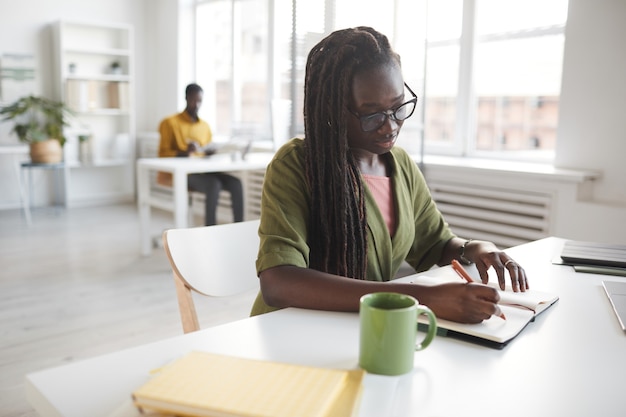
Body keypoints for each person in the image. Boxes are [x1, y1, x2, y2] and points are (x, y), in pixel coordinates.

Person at [250, 27, 529, 324]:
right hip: (290, 331)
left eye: (398, 107)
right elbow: (279, 283)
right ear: (333, 110)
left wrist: (478, 248)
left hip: (359, 329)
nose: (390, 126)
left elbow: (436, 243)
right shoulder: (296, 164)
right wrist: (423, 299)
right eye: (372, 115)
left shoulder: (399, 165)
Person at [158, 83, 244, 226]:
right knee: (214, 184)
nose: (196, 105)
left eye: (200, 101)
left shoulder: (205, 126)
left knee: (236, 183)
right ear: (186, 98)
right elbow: (162, 154)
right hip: (182, 173)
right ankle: (210, 230)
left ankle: (239, 228)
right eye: (193, 100)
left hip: (203, 170)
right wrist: (184, 153)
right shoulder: (170, 123)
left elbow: (206, 150)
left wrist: (210, 152)